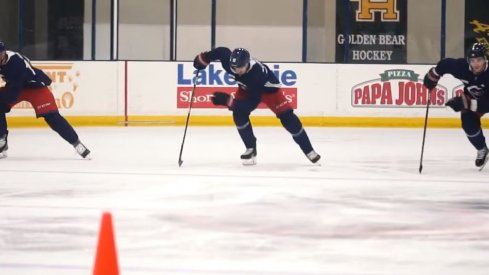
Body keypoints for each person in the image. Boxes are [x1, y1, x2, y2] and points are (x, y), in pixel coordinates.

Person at [193, 47, 320, 165]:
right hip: (246, 88)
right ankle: (250, 149)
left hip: (268, 90)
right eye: (234, 67)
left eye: (240, 67)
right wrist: (203, 59)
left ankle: (309, 150)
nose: (237, 70)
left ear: (247, 63)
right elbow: (222, 51)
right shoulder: (230, 64)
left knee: (288, 119)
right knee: (239, 115)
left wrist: (228, 101)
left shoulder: (257, 75)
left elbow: (251, 102)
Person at [0, 41, 90, 159]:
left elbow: (13, 93)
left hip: (35, 87)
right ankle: (2, 140)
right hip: (15, 87)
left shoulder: (15, 62)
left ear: (4, 53)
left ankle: (77, 144)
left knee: (52, 117)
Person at [423, 42, 489, 168]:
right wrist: (433, 76)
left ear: (485, 60)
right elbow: (445, 64)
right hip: (475, 99)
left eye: (479, 60)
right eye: (473, 60)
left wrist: (466, 103)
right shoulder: (462, 68)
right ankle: (482, 149)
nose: (476, 64)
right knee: (468, 122)